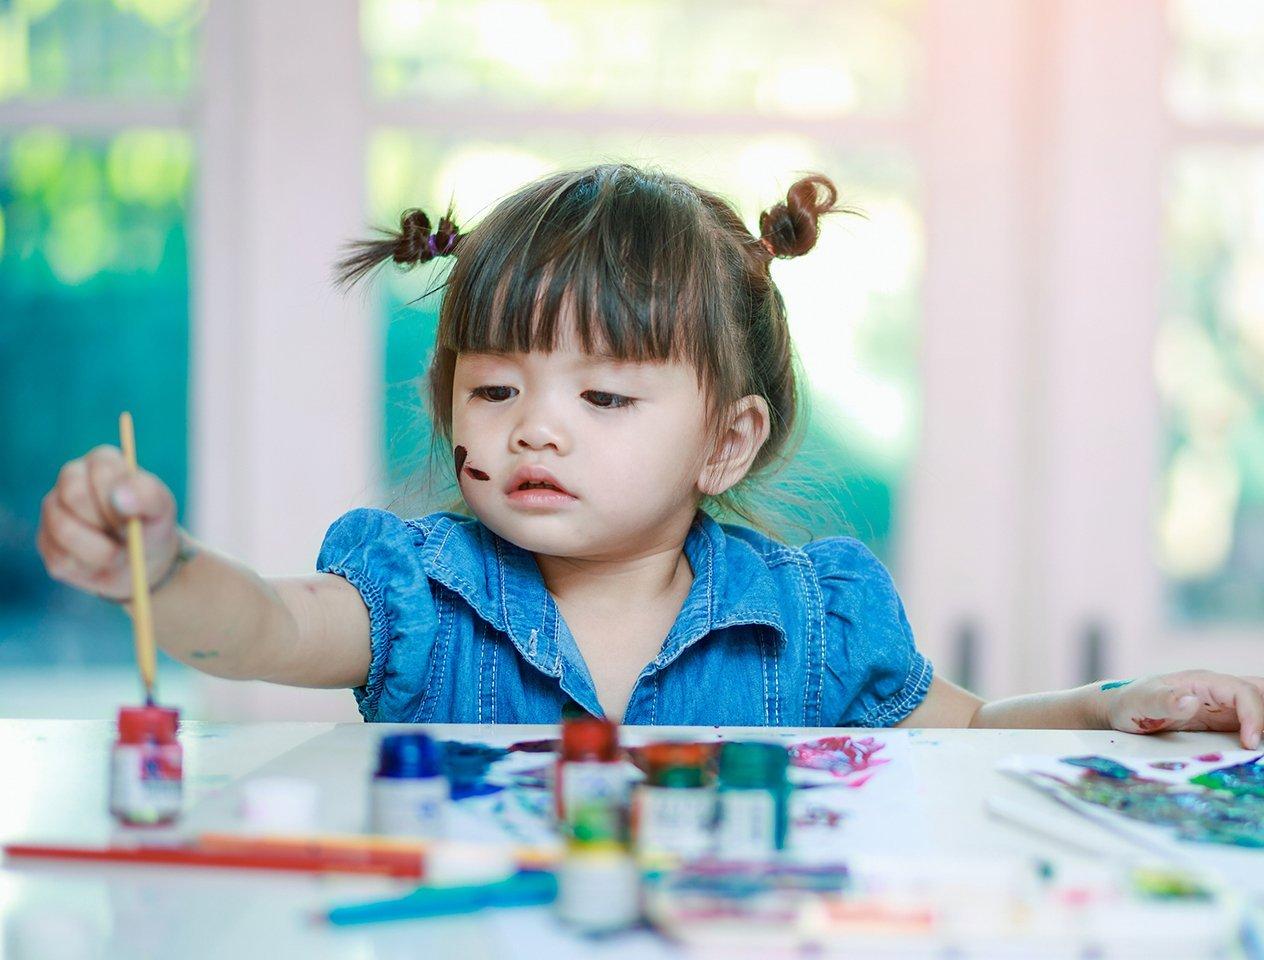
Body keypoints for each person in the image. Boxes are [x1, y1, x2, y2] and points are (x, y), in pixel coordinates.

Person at [36, 163, 1263, 743]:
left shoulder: (814, 623)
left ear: (726, 442)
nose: (537, 426)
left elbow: (976, 731)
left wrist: (1114, 710)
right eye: (497, 386)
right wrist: (160, 564)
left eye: (607, 398)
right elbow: (254, 629)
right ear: (447, 404)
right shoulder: (415, 593)